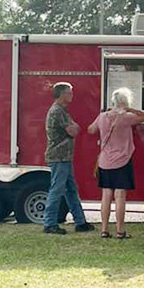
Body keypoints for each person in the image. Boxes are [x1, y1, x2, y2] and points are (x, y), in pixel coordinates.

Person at [88, 88, 144, 239]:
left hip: (104, 161)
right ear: (124, 102)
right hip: (122, 160)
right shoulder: (126, 117)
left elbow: (90, 130)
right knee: (120, 196)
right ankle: (120, 230)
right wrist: (129, 109)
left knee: (106, 194)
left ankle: (103, 230)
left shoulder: (102, 116)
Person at [43, 82, 94, 234]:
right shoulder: (57, 111)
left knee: (71, 189)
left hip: (65, 157)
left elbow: (75, 127)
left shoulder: (62, 111)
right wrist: (73, 127)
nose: (72, 95)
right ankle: (49, 223)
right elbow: (73, 130)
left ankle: (80, 222)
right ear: (62, 94)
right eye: (70, 93)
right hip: (58, 156)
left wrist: (74, 127)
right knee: (57, 190)